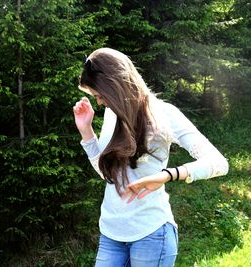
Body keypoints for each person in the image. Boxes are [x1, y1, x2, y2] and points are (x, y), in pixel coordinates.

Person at [73, 47, 228, 267]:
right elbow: (109, 176)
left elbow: (218, 163)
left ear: (115, 86)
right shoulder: (111, 114)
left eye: (100, 96)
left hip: (151, 234)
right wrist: (86, 131)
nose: (99, 102)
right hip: (111, 233)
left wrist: (168, 175)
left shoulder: (164, 114)